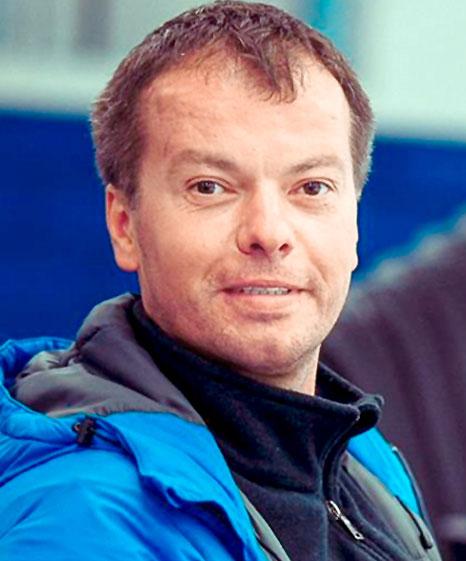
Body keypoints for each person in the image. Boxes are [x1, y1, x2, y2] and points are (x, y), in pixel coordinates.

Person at [0, 2, 441, 560]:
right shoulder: (83, 522)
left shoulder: (359, 455)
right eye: (210, 187)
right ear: (125, 225)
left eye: (311, 187)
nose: (268, 233)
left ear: (353, 224)